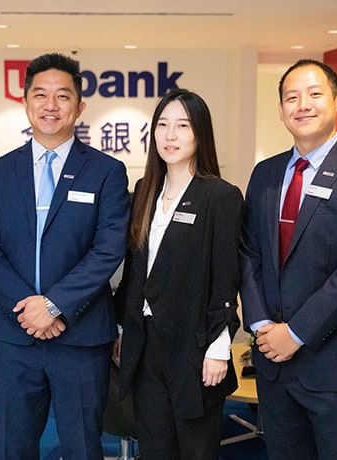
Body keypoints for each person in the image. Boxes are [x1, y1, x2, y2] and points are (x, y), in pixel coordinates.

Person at [0, 52, 130, 459]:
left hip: (80, 335)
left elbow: (108, 249)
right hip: (15, 335)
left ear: (80, 106)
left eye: (62, 96)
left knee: (82, 445)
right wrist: (27, 309)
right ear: (25, 102)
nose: (50, 105)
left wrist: (56, 306)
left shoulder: (106, 172)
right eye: (40, 95)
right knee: (14, 445)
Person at [240, 59, 337, 459]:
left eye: (314, 94)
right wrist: (261, 326)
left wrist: (295, 333)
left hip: (334, 363)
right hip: (273, 360)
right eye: (291, 97)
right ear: (280, 110)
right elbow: (249, 253)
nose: (302, 105)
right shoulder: (265, 174)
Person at [113, 88, 243, 459]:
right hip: (145, 345)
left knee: (195, 449)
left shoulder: (220, 196)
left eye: (182, 126)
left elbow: (226, 278)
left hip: (195, 346)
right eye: (162, 125)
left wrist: (219, 348)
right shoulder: (144, 191)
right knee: (154, 447)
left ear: (200, 133)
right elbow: (136, 271)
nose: (170, 136)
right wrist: (124, 327)